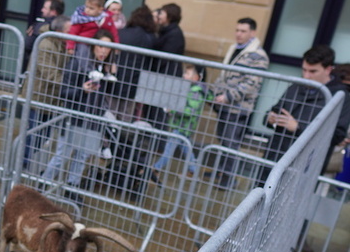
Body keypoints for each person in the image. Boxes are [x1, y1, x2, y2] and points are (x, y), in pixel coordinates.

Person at [42, 29, 118, 200]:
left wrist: (112, 74)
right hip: (73, 118)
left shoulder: (105, 67)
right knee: (63, 153)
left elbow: (113, 93)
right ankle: (44, 184)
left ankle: (72, 188)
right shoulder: (78, 63)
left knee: (82, 156)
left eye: (108, 48)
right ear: (93, 46)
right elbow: (64, 91)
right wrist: (82, 90)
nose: (104, 51)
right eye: (100, 46)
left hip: (93, 119)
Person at [261, 45, 350, 178]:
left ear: (328, 69)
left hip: (305, 167)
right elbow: (275, 110)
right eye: (304, 70)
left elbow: (337, 135)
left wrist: (298, 128)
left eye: (313, 71)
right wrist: (271, 118)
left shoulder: (340, 96)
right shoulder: (295, 87)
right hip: (275, 156)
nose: (306, 76)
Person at [209, 17, 269, 189]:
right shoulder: (234, 48)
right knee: (223, 140)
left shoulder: (258, 55)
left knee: (230, 144)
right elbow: (225, 74)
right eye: (237, 30)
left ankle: (228, 180)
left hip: (239, 108)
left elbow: (251, 83)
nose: (238, 34)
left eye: (243, 31)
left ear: (253, 33)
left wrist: (228, 96)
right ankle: (221, 172)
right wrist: (216, 92)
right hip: (224, 105)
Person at [23, 14, 71, 170]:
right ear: (59, 31)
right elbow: (51, 75)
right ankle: (22, 166)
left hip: (51, 100)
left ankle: (30, 164)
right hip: (39, 98)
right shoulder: (45, 45)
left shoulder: (63, 45)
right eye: (70, 31)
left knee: (43, 136)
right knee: (33, 136)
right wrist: (73, 85)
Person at [150, 64, 210, 182]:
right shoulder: (189, 89)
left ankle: (155, 169)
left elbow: (190, 111)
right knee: (186, 149)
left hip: (183, 126)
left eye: (187, 74)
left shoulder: (196, 92)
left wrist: (175, 109)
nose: (183, 75)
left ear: (196, 77)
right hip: (181, 125)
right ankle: (193, 170)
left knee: (169, 149)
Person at [109, 5, 157, 120]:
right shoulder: (151, 38)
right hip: (135, 83)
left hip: (115, 79)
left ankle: (107, 136)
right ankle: (119, 137)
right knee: (125, 116)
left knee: (110, 114)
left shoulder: (121, 33)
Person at [23, 0, 65, 69]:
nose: (42, 10)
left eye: (45, 8)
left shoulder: (49, 26)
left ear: (53, 11)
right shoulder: (60, 24)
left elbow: (28, 45)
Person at [153, 3, 185, 76]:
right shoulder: (165, 31)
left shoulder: (174, 34)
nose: (159, 16)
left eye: (161, 13)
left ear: (169, 16)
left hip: (167, 75)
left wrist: (153, 67)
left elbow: (165, 56)